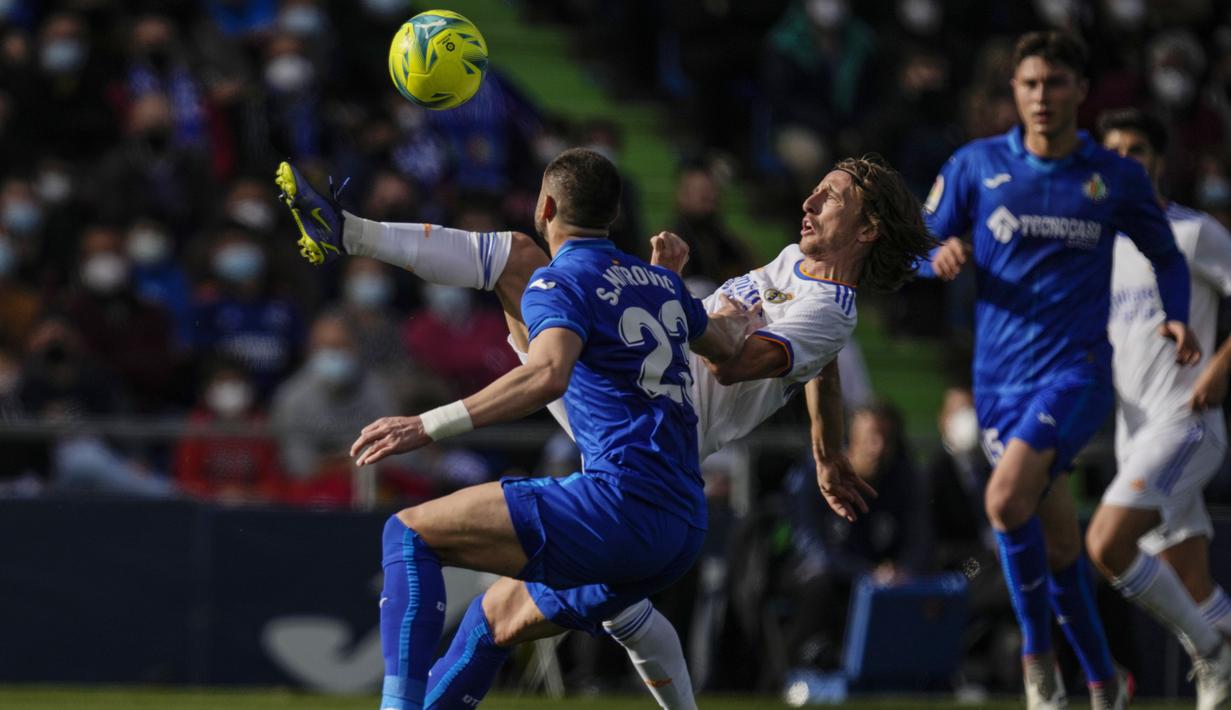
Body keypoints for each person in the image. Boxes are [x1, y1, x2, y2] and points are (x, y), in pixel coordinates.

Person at [276, 146, 934, 708]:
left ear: (868, 227)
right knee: (591, 606)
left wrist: (670, 298)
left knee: (515, 259)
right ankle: (347, 231)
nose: (810, 200)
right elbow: (809, 365)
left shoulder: (830, 312)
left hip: (645, 420)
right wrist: (822, 450)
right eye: (816, 188)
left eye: (832, 195)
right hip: (649, 455)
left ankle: (348, 235)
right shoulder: (793, 264)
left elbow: (738, 365)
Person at [923, 31, 1198, 710]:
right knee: (1057, 542)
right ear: (1014, 92)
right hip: (997, 385)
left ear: (1079, 91)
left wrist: (1177, 314)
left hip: (1074, 375)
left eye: (1054, 83)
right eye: (1029, 84)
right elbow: (913, 245)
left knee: (1001, 502)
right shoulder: (975, 165)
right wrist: (935, 259)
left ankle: (1035, 655)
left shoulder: (1112, 177)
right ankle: (1105, 682)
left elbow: (1165, 254)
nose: (1041, 97)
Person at [1088, 108, 1231, 707]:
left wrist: (1221, 369)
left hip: (1186, 426)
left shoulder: (1194, 232)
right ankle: (1217, 651)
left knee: (1105, 545)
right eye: (1113, 150)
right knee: (1191, 581)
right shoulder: (1102, 245)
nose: (1125, 161)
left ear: (1159, 161)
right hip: (1134, 435)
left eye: (1137, 149)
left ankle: (1214, 656)